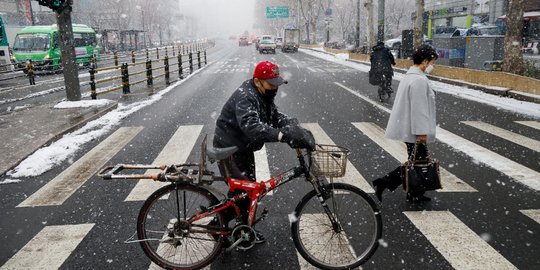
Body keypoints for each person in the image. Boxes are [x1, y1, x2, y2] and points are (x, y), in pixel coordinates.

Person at [213, 60, 316, 243]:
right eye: (271, 84)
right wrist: (281, 136)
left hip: (242, 147)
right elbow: (251, 126)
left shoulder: (262, 94)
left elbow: (274, 115)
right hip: (229, 150)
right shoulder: (246, 96)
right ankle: (216, 225)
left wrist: (293, 127)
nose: (274, 88)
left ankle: (243, 231)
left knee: (247, 192)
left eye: (277, 84)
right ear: (258, 81)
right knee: (243, 194)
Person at [372, 44, 439, 203]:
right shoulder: (418, 80)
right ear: (424, 61)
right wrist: (421, 132)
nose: (432, 66)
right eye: (432, 62)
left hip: (409, 127)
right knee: (417, 162)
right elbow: (419, 109)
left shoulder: (411, 76)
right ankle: (384, 182)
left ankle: (414, 192)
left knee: (416, 161)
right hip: (414, 130)